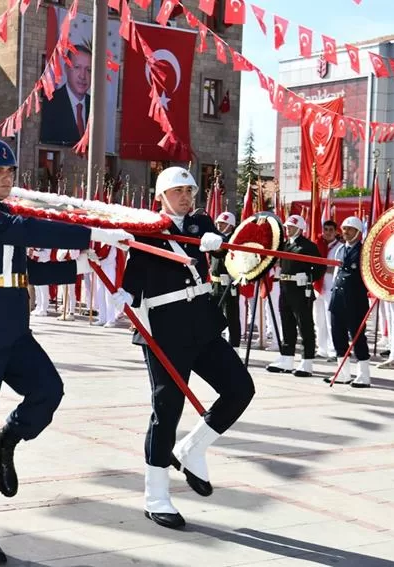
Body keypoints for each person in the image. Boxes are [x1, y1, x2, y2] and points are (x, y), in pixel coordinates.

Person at [0, 138, 130, 564]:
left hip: (11, 332)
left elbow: (22, 270)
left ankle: (6, 440)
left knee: (48, 390)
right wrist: (92, 232)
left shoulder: (1, 214)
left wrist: (77, 266)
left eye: (10, 172)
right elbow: (28, 231)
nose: (6, 178)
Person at [112, 166, 255, 530]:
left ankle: (193, 448)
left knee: (240, 388)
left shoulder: (198, 222)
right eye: (178, 191)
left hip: (202, 324)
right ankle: (156, 494)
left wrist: (216, 241)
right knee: (167, 408)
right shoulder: (146, 230)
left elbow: (212, 235)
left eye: (189, 190)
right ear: (161, 195)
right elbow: (133, 275)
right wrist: (120, 292)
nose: (186, 197)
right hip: (164, 330)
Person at [266, 215, 324, 377]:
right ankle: (287, 358)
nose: (288, 229)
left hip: (300, 290)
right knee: (287, 324)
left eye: (291, 226)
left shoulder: (308, 246)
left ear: (300, 228)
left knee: (304, 325)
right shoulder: (285, 245)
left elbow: (320, 267)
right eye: (287, 226)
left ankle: (307, 361)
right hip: (285, 288)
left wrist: (308, 278)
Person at [325, 216, 371, 387]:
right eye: (344, 228)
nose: (345, 232)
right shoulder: (340, 249)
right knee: (338, 336)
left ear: (358, 232)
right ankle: (343, 373)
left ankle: (364, 375)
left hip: (355, 301)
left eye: (349, 229)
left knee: (358, 337)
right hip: (338, 299)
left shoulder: (364, 251)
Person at [39, 44, 92, 146]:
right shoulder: (50, 104)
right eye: (77, 67)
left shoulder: (96, 108)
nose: (83, 76)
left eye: (88, 70)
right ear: (66, 69)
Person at [210, 211, 241, 347]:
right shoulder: (216, 239)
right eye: (218, 223)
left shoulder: (235, 241)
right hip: (215, 284)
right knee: (212, 315)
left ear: (231, 226)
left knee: (232, 317)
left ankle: (234, 346)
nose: (219, 225)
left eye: (223, 223)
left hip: (228, 284)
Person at [313, 220, 342, 360]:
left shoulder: (340, 247)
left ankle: (333, 350)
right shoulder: (318, 245)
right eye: (326, 229)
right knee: (318, 320)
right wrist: (325, 267)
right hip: (318, 285)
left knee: (331, 320)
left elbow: (338, 267)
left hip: (331, 286)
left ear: (336, 232)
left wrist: (324, 267)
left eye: (331, 229)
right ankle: (322, 348)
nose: (328, 232)